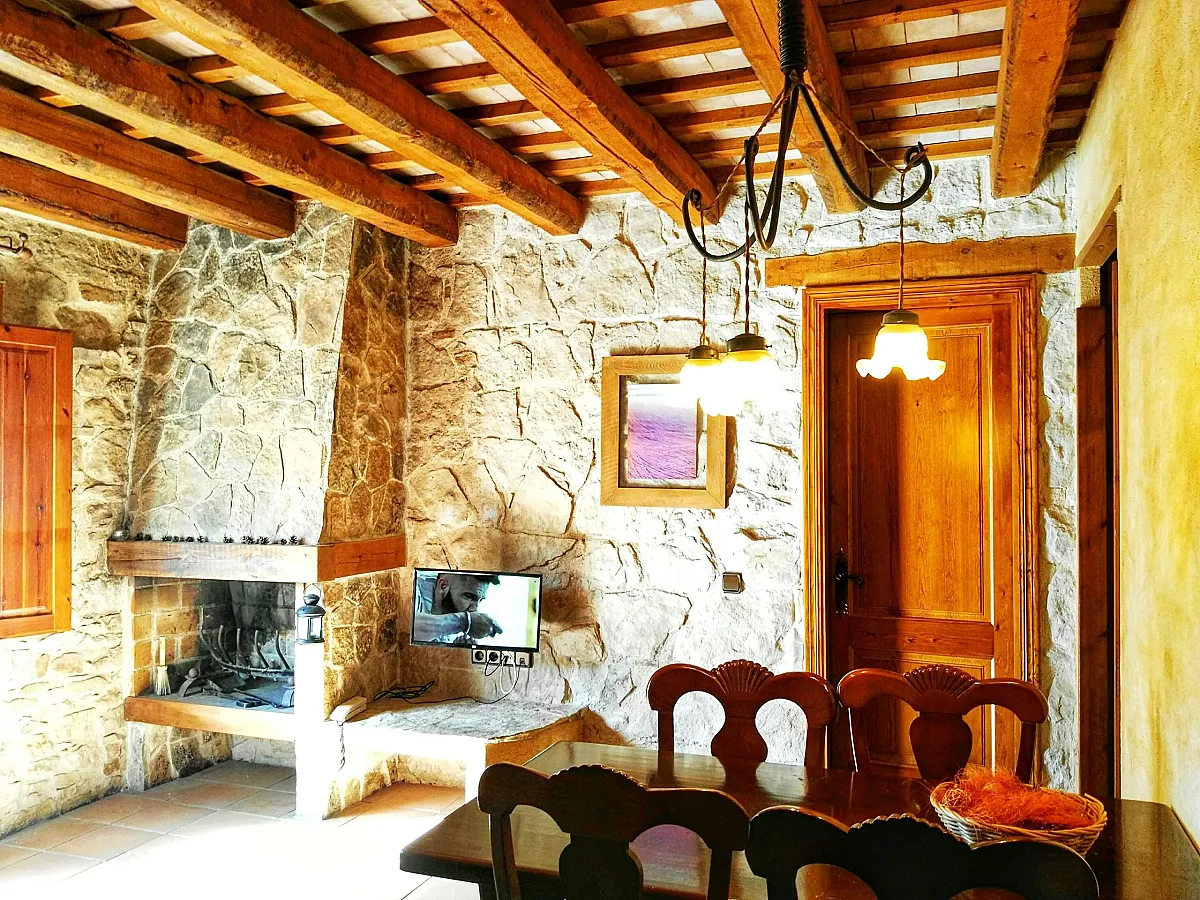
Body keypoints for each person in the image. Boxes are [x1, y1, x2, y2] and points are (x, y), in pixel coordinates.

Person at [412, 571, 504, 646]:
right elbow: (408, 628)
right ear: (443, 586)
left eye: (480, 600)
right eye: (469, 596)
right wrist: (465, 622)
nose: (475, 610)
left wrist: (453, 652)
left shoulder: (450, 617)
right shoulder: (411, 586)